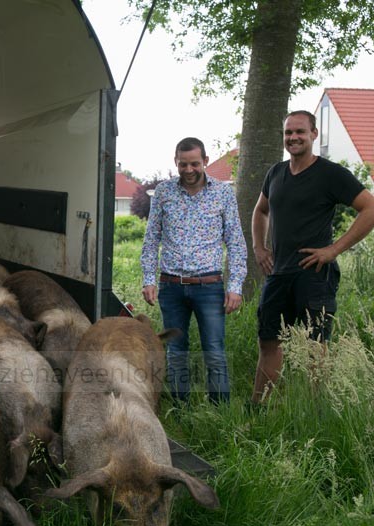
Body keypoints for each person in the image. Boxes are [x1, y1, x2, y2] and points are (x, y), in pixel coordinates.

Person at [250, 110, 374, 405]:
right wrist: (259, 247)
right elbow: (260, 211)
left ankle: (314, 413)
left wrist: (333, 250)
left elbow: (369, 208)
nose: (293, 138)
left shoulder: (331, 174)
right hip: (279, 274)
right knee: (268, 342)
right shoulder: (276, 173)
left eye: (300, 132)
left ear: (314, 135)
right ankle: (260, 408)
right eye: (288, 133)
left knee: (315, 347)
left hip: (314, 274)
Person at [141, 137, 247, 405]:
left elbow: (235, 241)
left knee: (214, 349)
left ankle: (220, 411)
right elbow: (151, 238)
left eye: (195, 164)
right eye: (183, 164)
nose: (189, 170)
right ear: (175, 162)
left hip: (209, 286)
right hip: (171, 286)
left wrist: (235, 286)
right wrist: (148, 280)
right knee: (176, 349)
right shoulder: (164, 193)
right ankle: (180, 408)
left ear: (206, 162)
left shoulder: (223, 193)